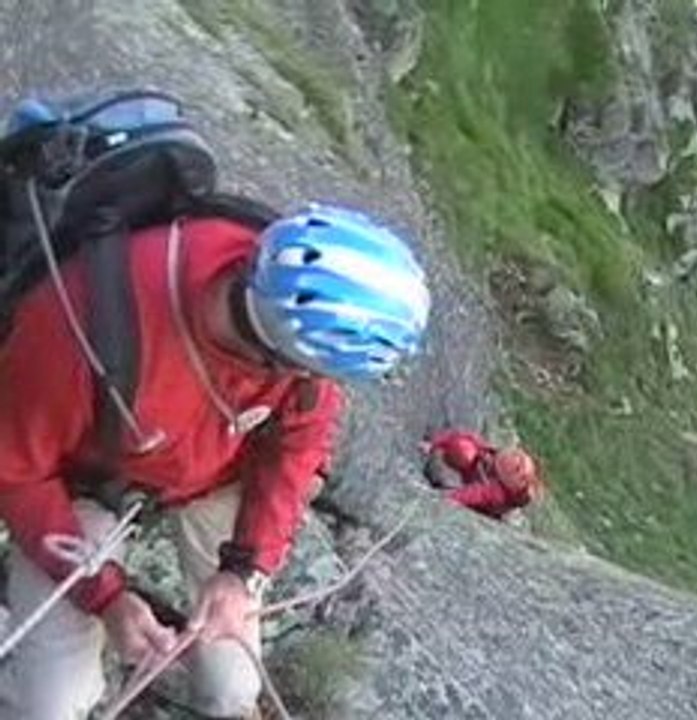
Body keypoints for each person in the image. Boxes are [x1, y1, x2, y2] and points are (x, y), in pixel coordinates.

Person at [0, 204, 430, 719]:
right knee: (53, 705)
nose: (322, 382)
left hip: (210, 474)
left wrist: (243, 572)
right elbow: (16, 472)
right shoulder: (82, 326)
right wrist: (106, 597)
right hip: (82, 484)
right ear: (284, 352)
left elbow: (296, 451)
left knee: (231, 689)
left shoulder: (294, 344)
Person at [422, 430, 545, 520]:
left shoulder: (496, 492)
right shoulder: (494, 456)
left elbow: (473, 494)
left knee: (465, 451)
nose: (515, 459)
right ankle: (443, 453)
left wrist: (447, 500)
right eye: (517, 455)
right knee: (465, 448)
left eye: (518, 467)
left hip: (480, 499)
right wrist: (435, 443)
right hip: (470, 474)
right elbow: (469, 437)